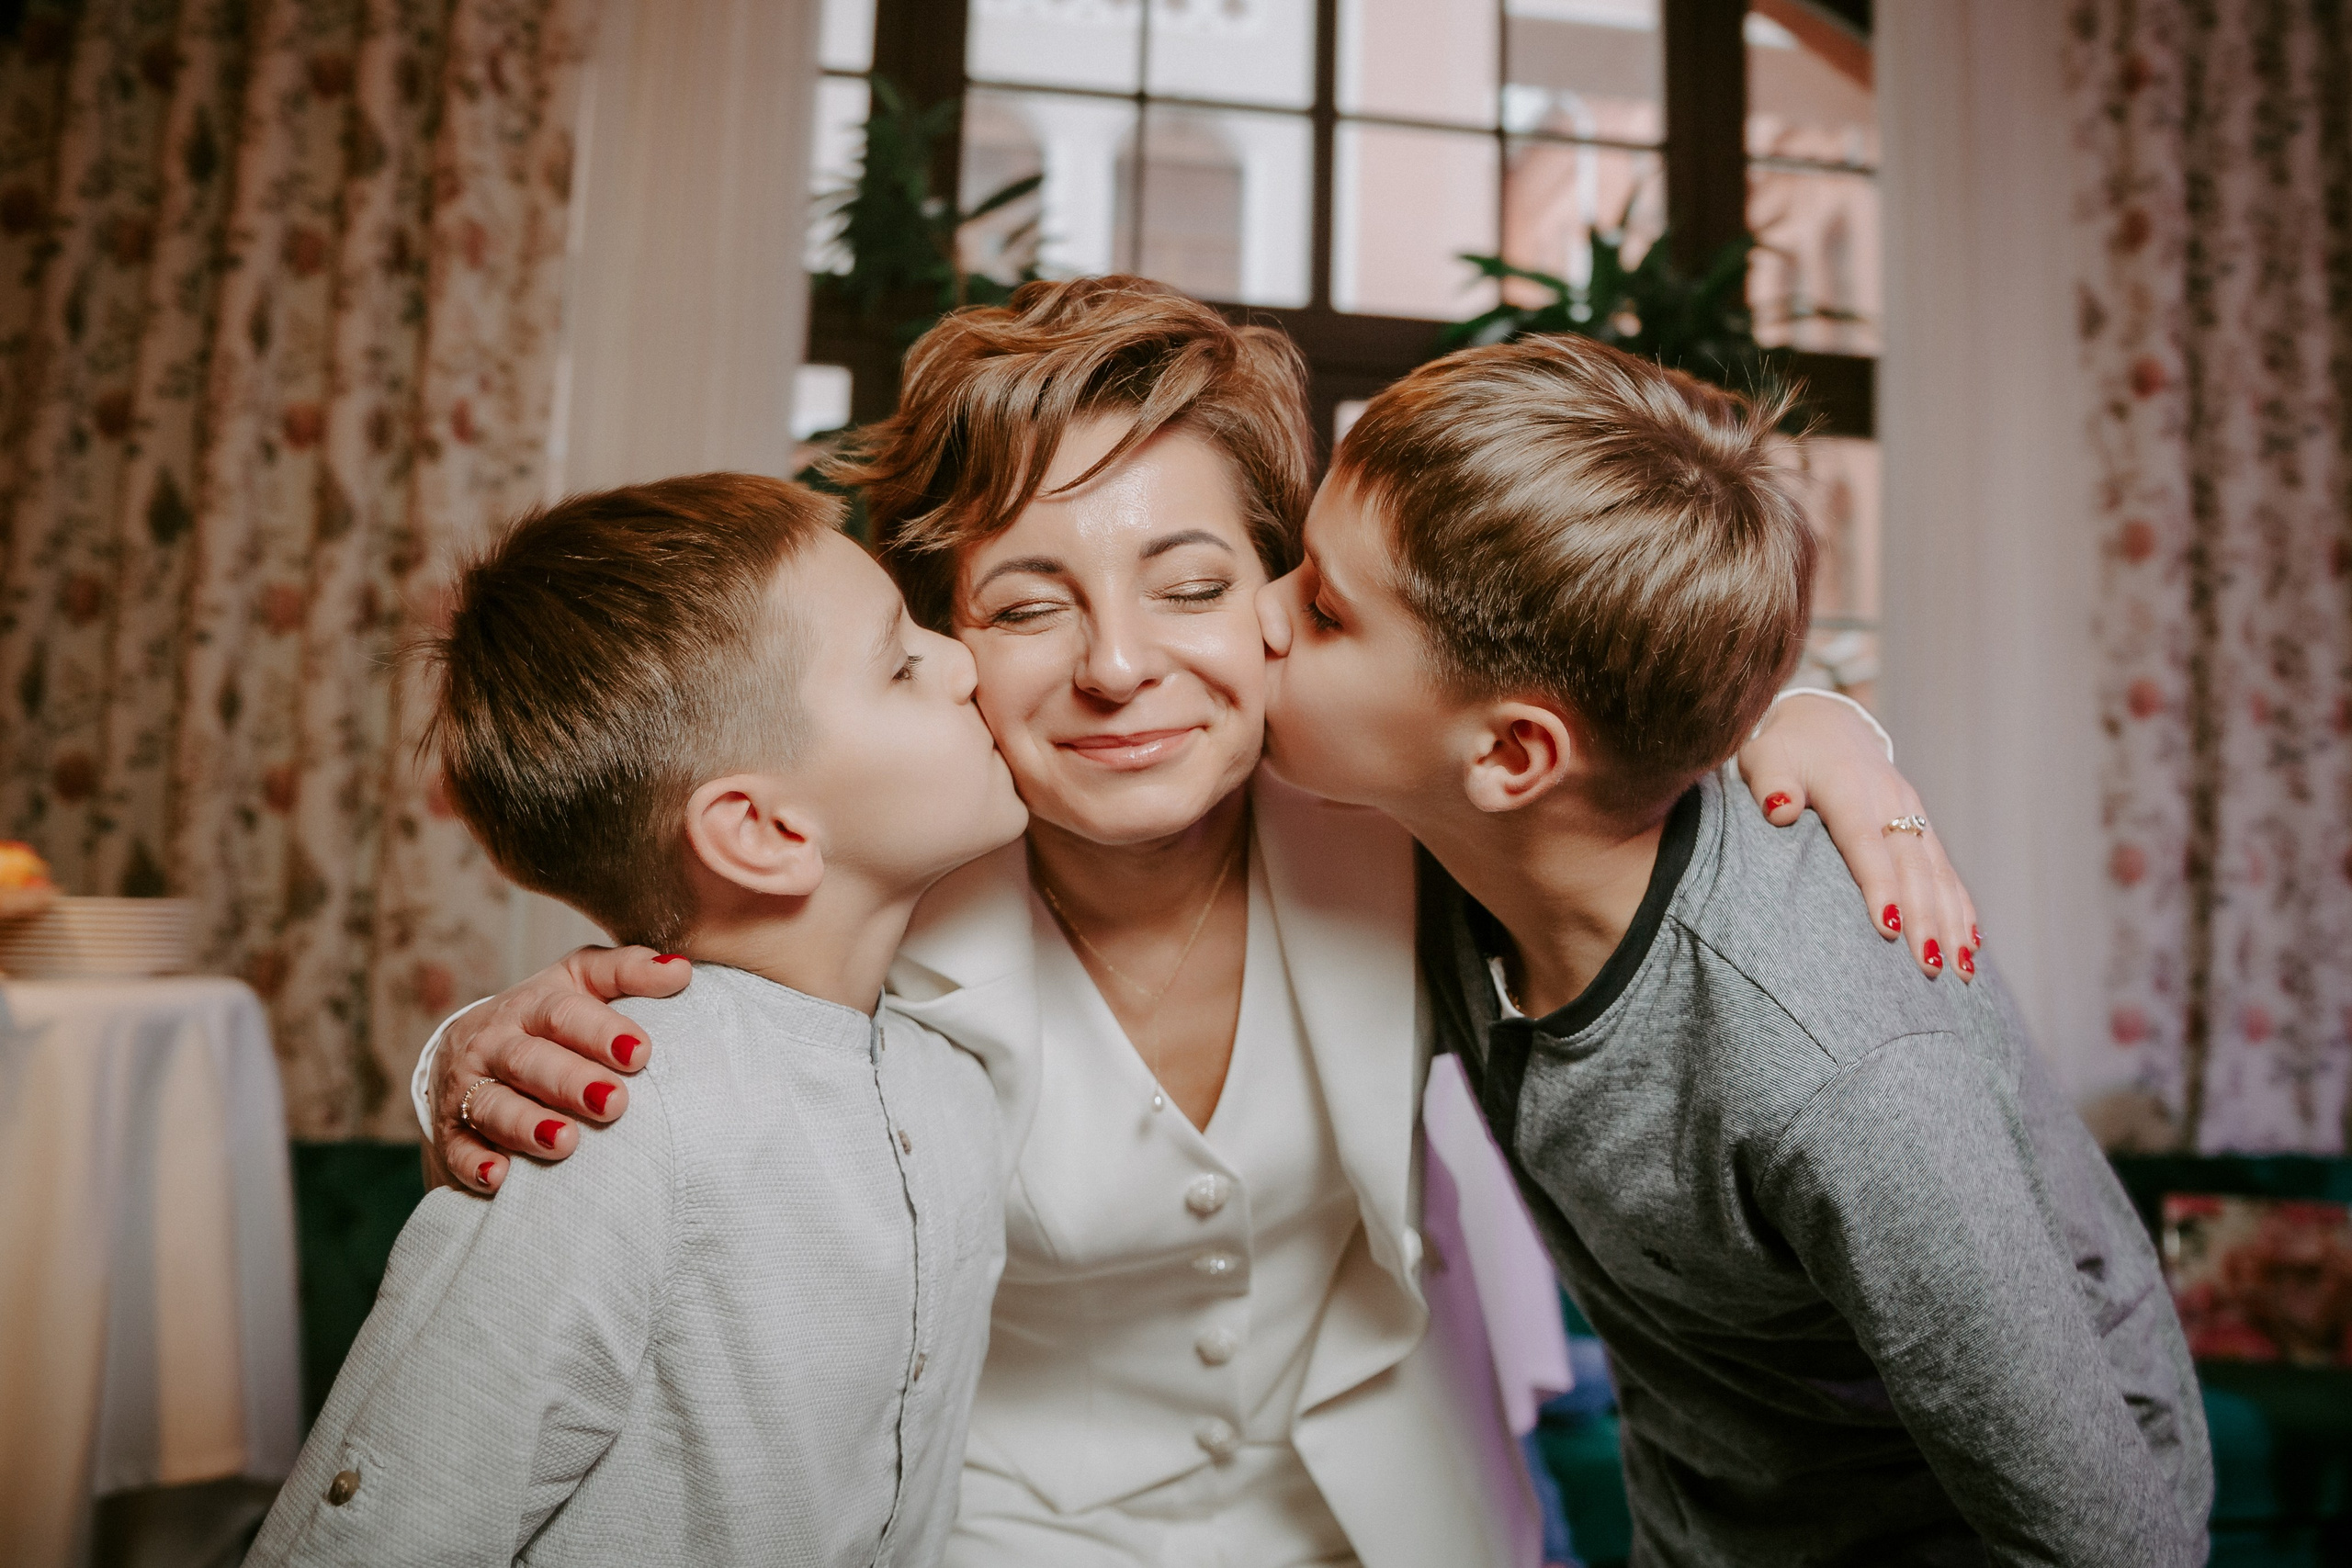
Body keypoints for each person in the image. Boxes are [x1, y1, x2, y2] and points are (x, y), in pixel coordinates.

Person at [406, 278, 1979, 1568]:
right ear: (942, 644)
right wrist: (458, 1058)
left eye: (1187, 581)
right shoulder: (871, 891)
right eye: (1027, 605)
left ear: (1288, 599)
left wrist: (1813, 721)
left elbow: (1604, 727)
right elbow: (671, 1015)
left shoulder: (1395, 817)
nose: (1115, 666)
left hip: (1413, 1523)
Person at [1252, 333, 2212, 1565]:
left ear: (1510, 755)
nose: (1261, 613)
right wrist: (1822, 714)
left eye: (1324, 610)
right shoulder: (1448, 854)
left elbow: (2115, 1539)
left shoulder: (1832, 1065)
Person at [249, 475, 1025, 1567]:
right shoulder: (613, 1116)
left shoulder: (954, 1086)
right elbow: (380, 1520)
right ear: (760, 829)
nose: (965, 661)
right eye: (902, 663)